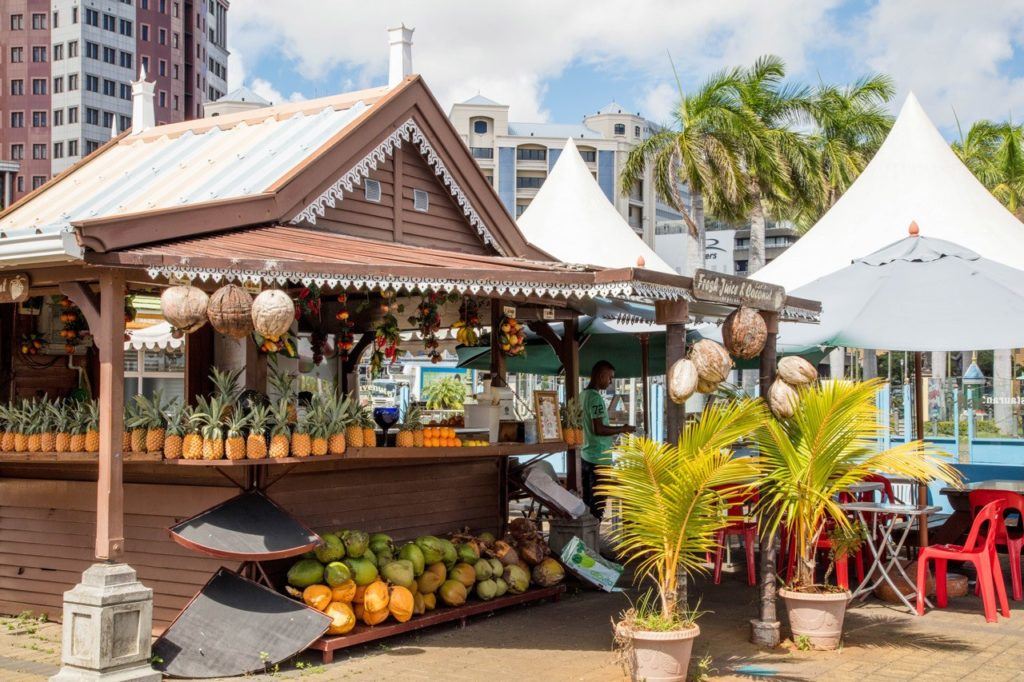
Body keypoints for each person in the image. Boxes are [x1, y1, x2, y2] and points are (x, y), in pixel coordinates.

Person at [579, 360, 634, 519]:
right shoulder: (596, 399)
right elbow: (599, 429)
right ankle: (593, 540)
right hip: (599, 458)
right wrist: (622, 429)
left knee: (587, 503)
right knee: (598, 505)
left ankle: (588, 538)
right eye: (610, 377)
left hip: (586, 455)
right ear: (601, 375)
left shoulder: (583, 396)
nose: (610, 382)